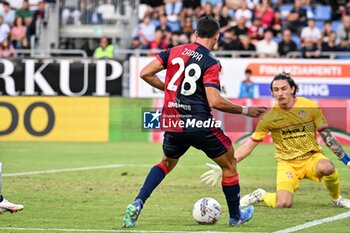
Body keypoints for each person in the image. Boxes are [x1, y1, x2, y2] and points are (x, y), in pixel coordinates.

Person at [122, 16, 266, 228]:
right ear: (217, 37)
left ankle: (138, 202)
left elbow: (145, 73)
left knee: (165, 163)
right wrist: (245, 110)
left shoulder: (173, 51)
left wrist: (171, 88)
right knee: (229, 165)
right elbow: (215, 101)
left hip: (173, 121)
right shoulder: (211, 62)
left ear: (196, 33)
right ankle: (236, 217)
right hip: (200, 124)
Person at [201, 72, 350, 209]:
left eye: (284, 88)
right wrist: (227, 165)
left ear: (292, 89)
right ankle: (261, 195)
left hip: (312, 157)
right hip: (287, 163)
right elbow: (249, 145)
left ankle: (336, 198)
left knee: (328, 167)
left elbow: (326, 135)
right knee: (283, 203)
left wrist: (346, 160)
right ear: (272, 93)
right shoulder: (269, 118)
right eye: (276, 90)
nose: (280, 93)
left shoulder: (310, 107)